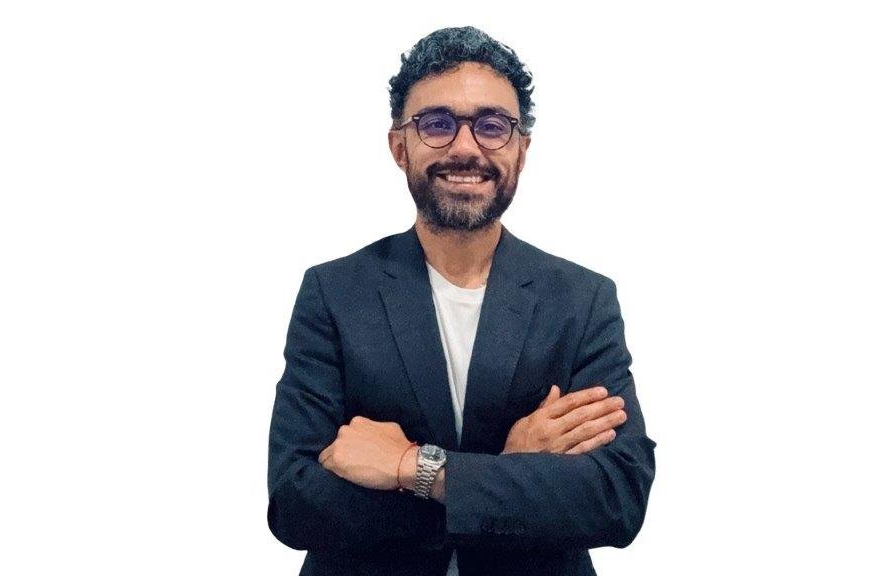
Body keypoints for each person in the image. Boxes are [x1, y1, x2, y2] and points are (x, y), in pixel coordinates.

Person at [267, 26, 657, 576]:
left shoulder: (582, 300)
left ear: (521, 150)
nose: (466, 148)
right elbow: (294, 503)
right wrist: (510, 471)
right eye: (437, 123)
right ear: (399, 146)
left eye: (493, 126)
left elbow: (617, 497)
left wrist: (413, 467)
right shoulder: (334, 293)